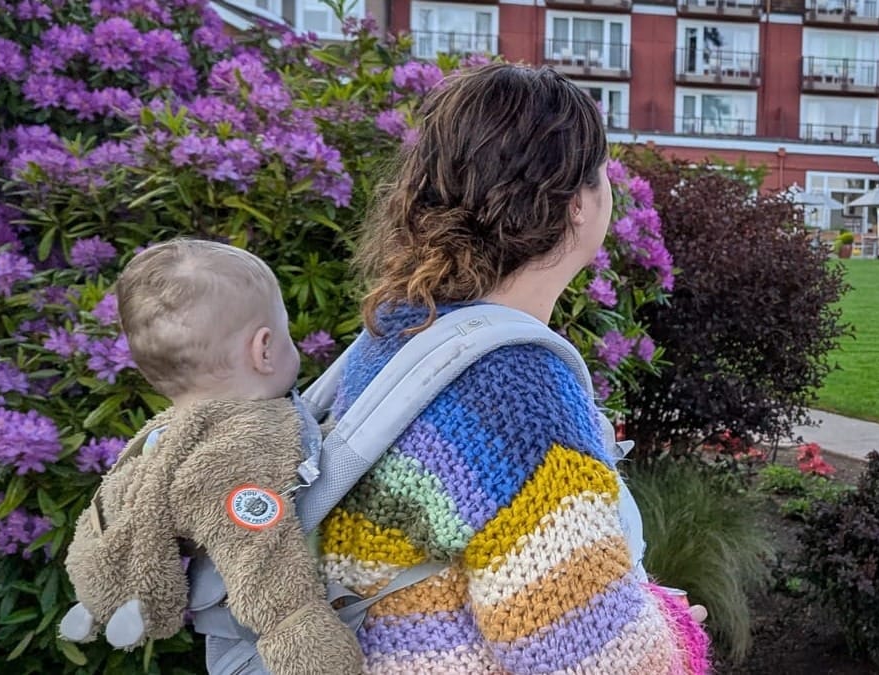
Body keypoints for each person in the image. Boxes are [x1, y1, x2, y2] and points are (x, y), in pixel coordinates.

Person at [316, 63, 712, 673]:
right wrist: (675, 625)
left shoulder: (402, 331)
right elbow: (595, 658)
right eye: (602, 173)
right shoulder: (517, 392)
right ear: (577, 204)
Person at [59, 240, 363, 675]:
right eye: (286, 333)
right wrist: (313, 651)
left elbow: (111, 513)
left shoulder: (161, 437)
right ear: (264, 349)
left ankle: (103, 602)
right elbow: (262, 560)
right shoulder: (236, 456)